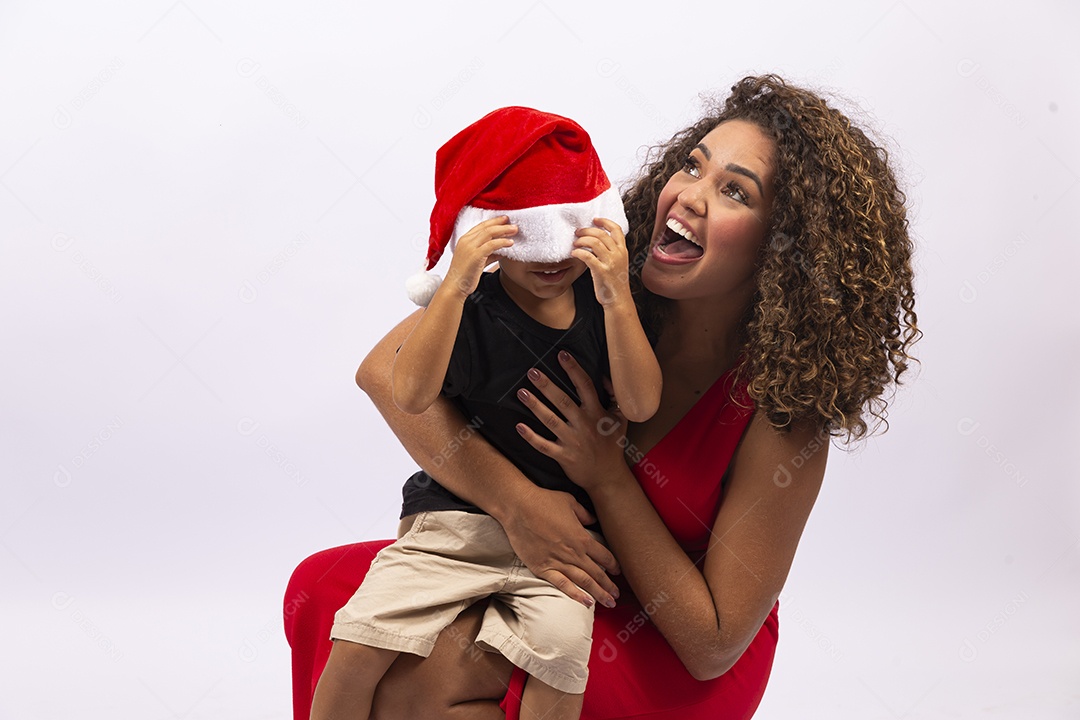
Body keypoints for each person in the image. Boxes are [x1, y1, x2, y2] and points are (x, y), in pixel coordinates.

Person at [286, 74, 920, 720]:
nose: (690, 196)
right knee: (324, 588)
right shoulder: (586, 276)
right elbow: (382, 374)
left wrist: (606, 474)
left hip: (667, 652)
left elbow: (714, 642)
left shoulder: (783, 411)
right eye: (692, 166)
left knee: (434, 670)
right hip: (543, 570)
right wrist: (518, 504)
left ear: (785, 249)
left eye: (734, 191)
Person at [310, 107, 662, 720]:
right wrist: (452, 287)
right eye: (530, 238)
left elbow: (640, 403)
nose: (552, 260)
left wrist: (618, 299)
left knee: (560, 657)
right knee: (359, 641)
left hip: (561, 545)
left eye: (567, 234)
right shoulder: (474, 312)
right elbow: (410, 392)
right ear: (489, 236)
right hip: (450, 528)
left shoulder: (600, 300)